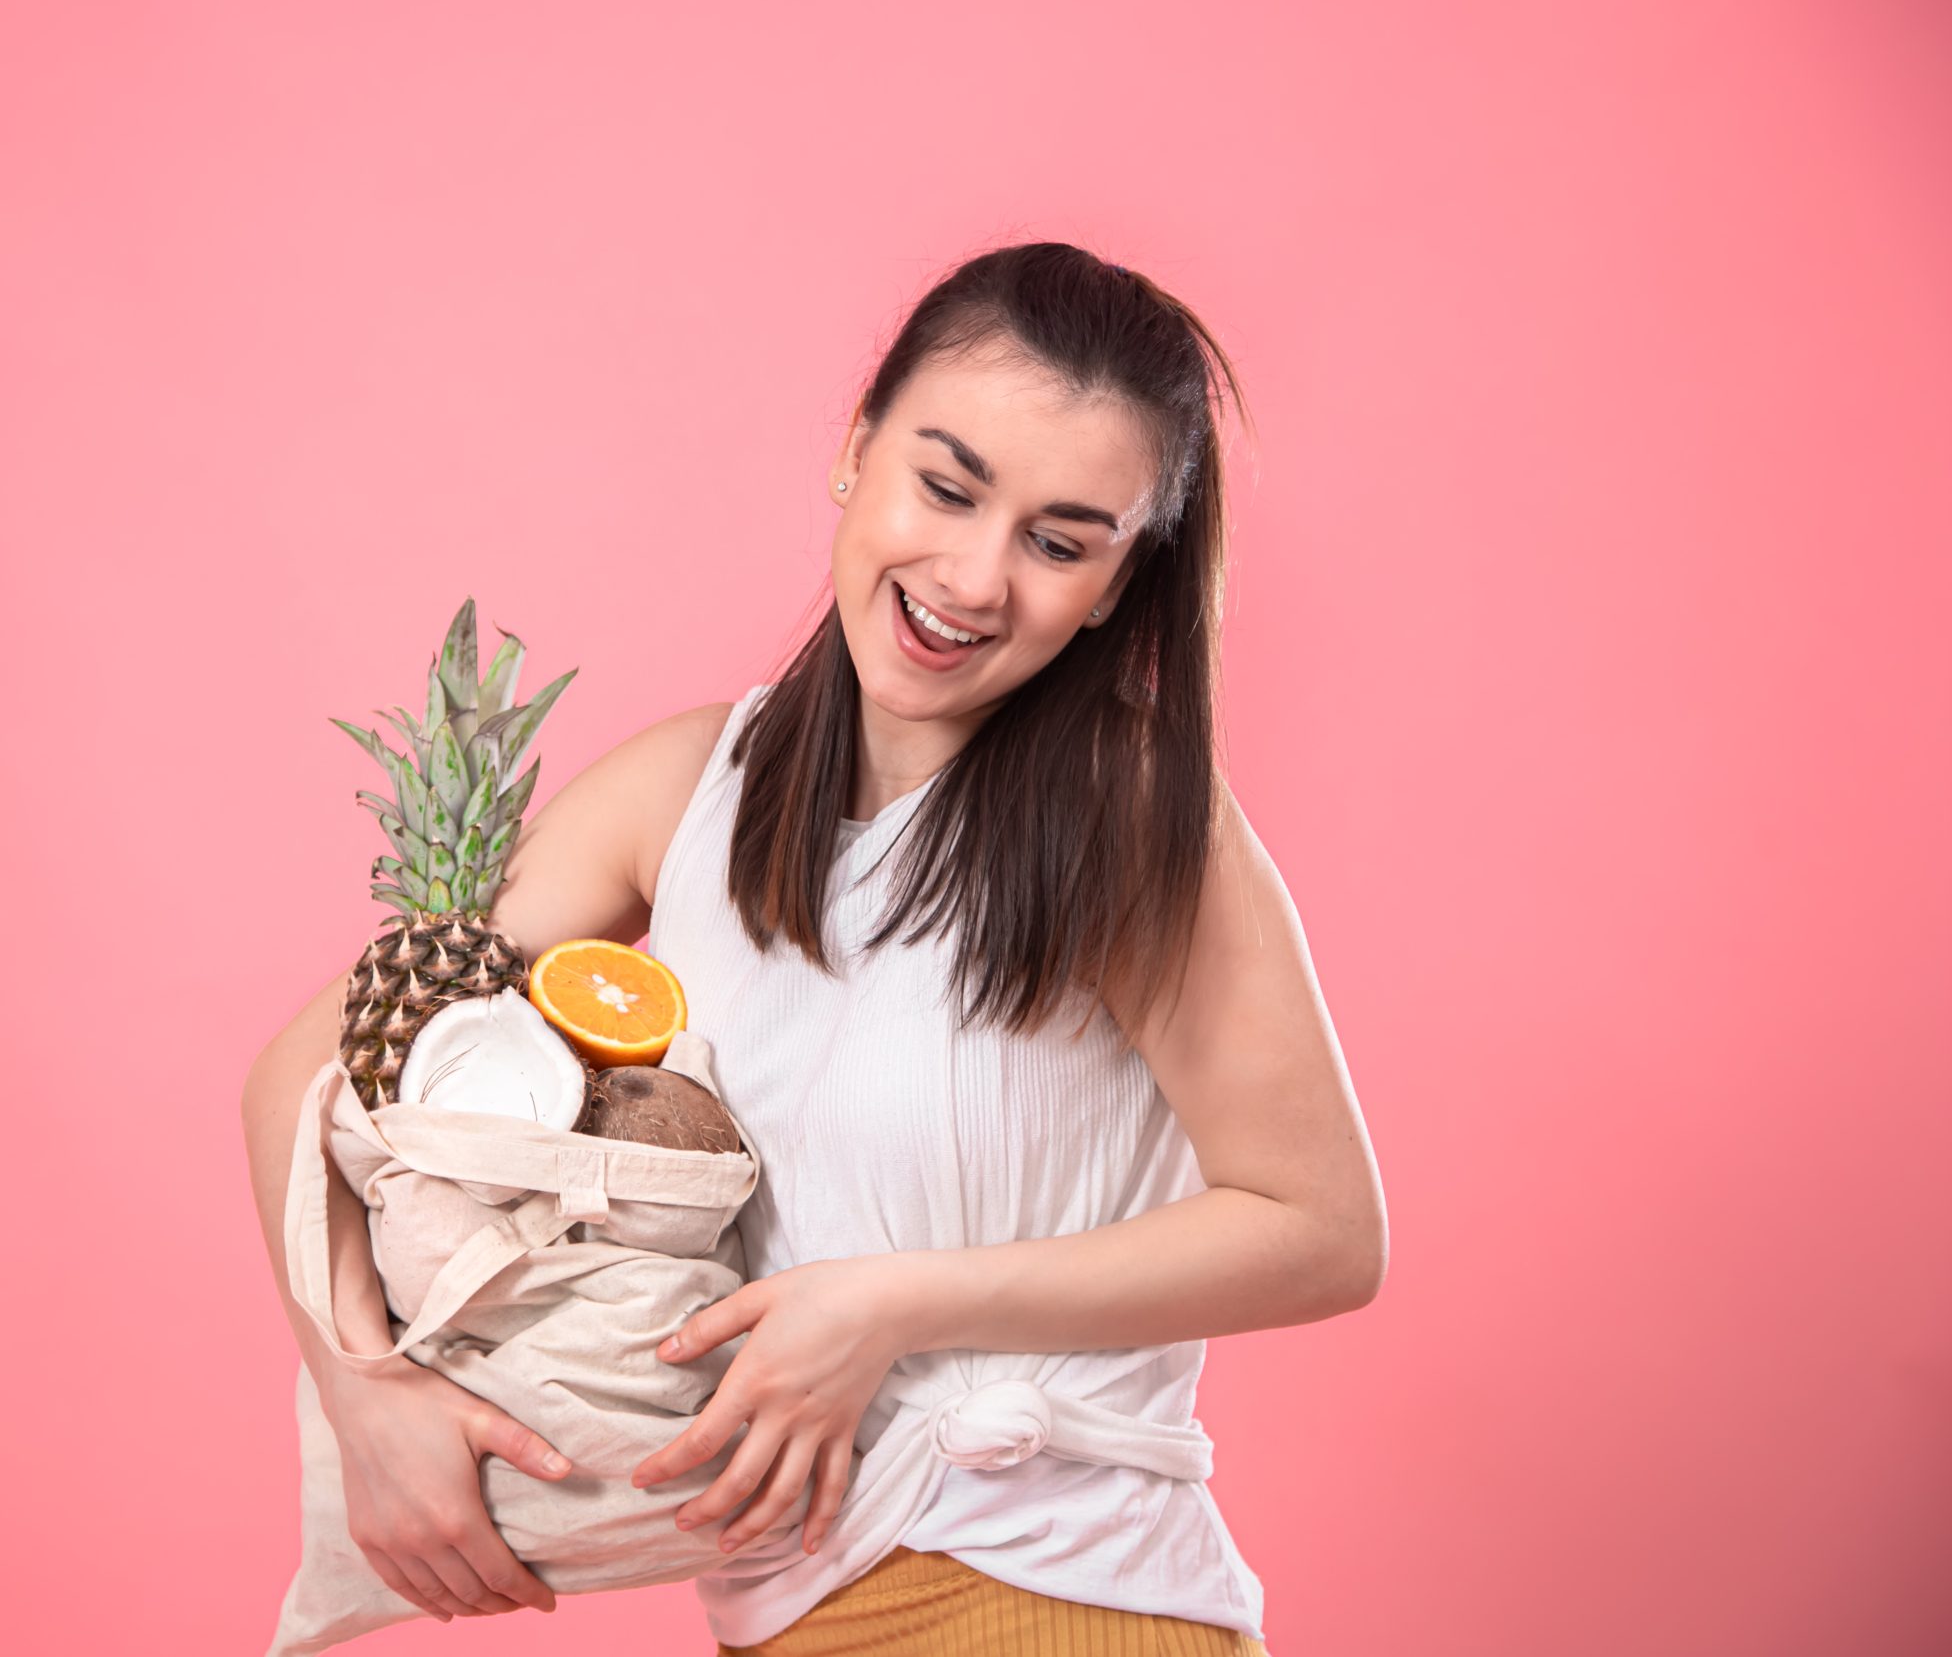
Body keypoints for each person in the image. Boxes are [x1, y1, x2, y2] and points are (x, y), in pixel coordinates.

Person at [241, 240, 1386, 1654]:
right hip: (783, 1618)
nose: (973, 577)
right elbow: (313, 1063)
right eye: (947, 486)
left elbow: (1322, 1229)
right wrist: (367, 1390)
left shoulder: (1126, 817)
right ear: (856, 448)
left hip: (1050, 1600)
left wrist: (894, 1309)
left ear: (1114, 586)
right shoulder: (689, 793)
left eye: (1060, 539)